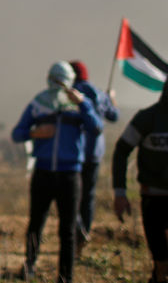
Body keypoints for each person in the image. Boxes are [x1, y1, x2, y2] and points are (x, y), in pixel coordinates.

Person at [11, 61, 102, 283]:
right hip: (42, 172)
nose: (57, 85)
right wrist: (36, 133)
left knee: (68, 230)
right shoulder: (39, 103)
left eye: (62, 81)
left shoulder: (79, 105)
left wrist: (83, 104)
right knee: (36, 223)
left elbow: (96, 128)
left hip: (70, 175)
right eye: (54, 80)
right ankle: (29, 266)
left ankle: (65, 277)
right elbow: (17, 133)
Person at [112, 67, 168, 283]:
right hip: (155, 201)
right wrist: (120, 193)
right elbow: (121, 151)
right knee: (164, 264)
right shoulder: (148, 118)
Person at [69, 60, 119, 251]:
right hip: (95, 154)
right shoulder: (100, 94)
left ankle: (79, 229)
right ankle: (85, 235)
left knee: (72, 196)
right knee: (88, 197)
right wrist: (111, 98)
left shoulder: (70, 95)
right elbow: (114, 116)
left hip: (76, 153)